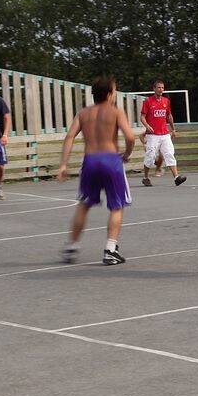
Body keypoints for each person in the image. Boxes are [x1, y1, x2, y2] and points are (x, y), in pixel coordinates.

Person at [57, 77, 135, 265]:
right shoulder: (116, 112)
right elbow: (130, 137)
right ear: (109, 94)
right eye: (114, 90)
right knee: (117, 205)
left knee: (84, 204)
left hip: (90, 160)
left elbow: (69, 137)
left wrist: (63, 164)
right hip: (110, 160)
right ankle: (110, 248)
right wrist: (126, 153)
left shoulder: (83, 113)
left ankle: (71, 246)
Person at [141, 79, 186, 187]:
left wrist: (173, 129)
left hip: (164, 133)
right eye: (159, 87)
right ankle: (146, 177)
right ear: (154, 89)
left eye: (162, 87)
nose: (161, 89)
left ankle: (176, 177)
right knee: (150, 156)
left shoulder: (166, 101)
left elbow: (169, 116)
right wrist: (147, 126)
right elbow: (142, 116)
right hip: (153, 135)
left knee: (169, 153)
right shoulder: (148, 101)